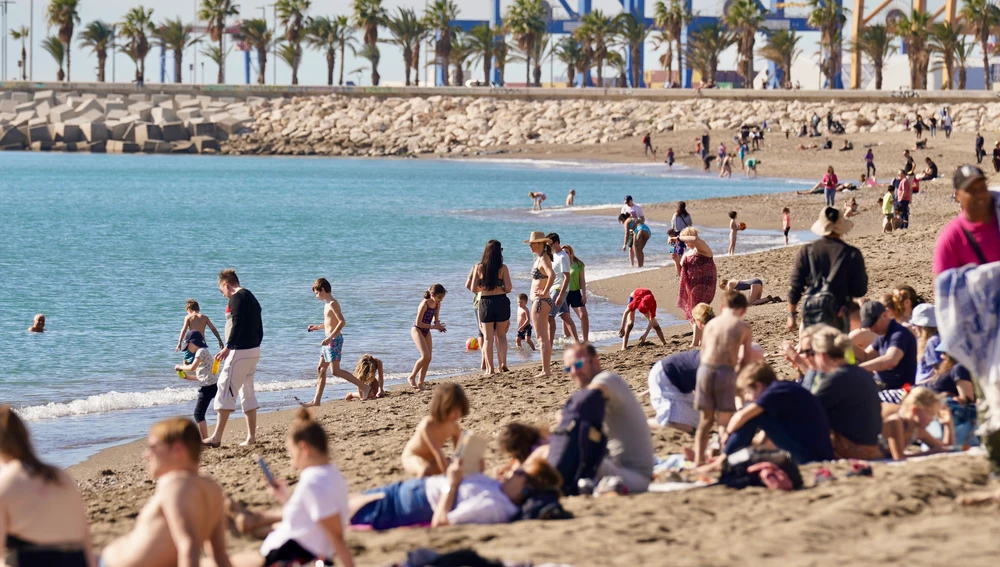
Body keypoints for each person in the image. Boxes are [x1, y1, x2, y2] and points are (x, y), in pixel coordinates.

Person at [229, 409, 355, 567]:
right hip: (288, 547)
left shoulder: (313, 481)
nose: (291, 459)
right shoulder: (333, 474)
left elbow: (336, 536)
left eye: (291, 452)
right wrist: (284, 497)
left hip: (285, 555)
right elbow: (309, 521)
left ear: (304, 449)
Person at [100, 418, 231, 567]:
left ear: (177, 450)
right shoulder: (212, 487)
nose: (146, 455)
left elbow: (189, 546)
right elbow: (219, 553)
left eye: (153, 447)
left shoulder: (174, 483)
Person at [350, 456, 562, 530]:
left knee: (338, 511)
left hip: (406, 505)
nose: (511, 470)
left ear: (526, 488)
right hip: (407, 490)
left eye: (519, 472)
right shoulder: (499, 489)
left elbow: (441, 522)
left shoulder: (495, 506)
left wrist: (451, 483)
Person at [0, 405, 95, 567]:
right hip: (75, 560)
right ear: (27, 436)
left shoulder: (6, 482)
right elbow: (85, 539)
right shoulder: (60, 475)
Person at [561, 344, 655, 493]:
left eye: (578, 364)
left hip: (634, 477)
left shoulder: (607, 380)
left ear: (595, 361)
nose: (574, 371)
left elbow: (584, 400)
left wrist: (562, 418)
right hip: (617, 468)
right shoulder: (600, 388)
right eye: (568, 368)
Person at [720, 361, 835, 465]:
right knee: (754, 414)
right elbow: (762, 442)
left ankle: (724, 459)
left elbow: (741, 416)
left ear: (759, 386)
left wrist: (727, 434)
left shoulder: (775, 392)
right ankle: (729, 458)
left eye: (747, 392)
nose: (747, 398)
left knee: (751, 415)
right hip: (815, 452)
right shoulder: (782, 389)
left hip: (810, 455)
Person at [693, 291, 753, 465]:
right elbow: (746, 359)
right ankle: (723, 459)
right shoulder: (743, 327)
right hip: (725, 371)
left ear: (721, 307)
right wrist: (738, 378)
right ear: (743, 311)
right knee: (723, 420)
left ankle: (698, 459)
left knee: (705, 420)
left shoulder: (711, 324)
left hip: (704, 370)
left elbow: (703, 352)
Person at [205, 269, 263, 448]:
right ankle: (251, 437)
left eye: (221, 290)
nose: (222, 295)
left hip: (240, 351)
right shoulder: (251, 296)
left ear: (226, 285)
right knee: (247, 392)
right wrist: (257, 343)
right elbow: (258, 325)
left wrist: (228, 347)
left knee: (224, 388)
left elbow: (237, 323)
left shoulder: (236, 298)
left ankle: (216, 437)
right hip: (253, 350)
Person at [806, 327, 883, 459]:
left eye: (813, 353)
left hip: (853, 450)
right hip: (871, 447)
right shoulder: (860, 372)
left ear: (822, 355)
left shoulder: (835, 379)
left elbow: (806, 413)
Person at [787, 207, 868, 333]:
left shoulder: (807, 251)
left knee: (813, 349)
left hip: (813, 311)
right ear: (841, 228)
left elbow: (795, 286)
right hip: (839, 312)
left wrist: (791, 315)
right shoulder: (852, 253)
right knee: (838, 350)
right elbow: (860, 290)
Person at [304, 278, 373, 406]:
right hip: (329, 340)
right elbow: (330, 323)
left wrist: (330, 337)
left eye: (316, 293)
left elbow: (342, 322)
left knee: (335, 371)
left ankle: (365, 388)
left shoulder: (333, 303)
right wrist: (317, 327)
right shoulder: (326, 304)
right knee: (320, 369)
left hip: (334, 340)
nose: (316, 296)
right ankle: (316, 400)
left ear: (323, 290)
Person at [934, 165, 1000, 273]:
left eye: (982, 188)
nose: (979, 195)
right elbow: (943, 285)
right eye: (971, 190)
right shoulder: (953, 237)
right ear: (958, 196)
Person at [401, 383, 468, 477]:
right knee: (425, 469)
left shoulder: (454, 427)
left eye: (459, 410)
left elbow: (458, 453)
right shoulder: (428, 424)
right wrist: (447, 477)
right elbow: (438, 453)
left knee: (454, 465)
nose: (457, 414)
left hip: (432, 460)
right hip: (413, 456)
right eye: (453, 410)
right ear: (442, 407)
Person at [856, 301, 918, 395]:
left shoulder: (899, 334)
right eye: (869, 327)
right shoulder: (882, 335)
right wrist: (846, 344)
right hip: (882, 386)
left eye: (874, 325)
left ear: (884, 315)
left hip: (899, 390)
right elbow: (866, 356)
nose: (872, 329)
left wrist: (857, 369)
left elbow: (891, 360)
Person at [472, 240, 513, 376]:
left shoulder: (479, 268)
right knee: (501, 336)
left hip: (485, 302)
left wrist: (485, 288)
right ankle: (503, 364)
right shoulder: (503, 268)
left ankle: (490, 369)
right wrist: (499, 287)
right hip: (501, 301)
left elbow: (473, 288)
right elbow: (508, 288)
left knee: (488, 338)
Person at [880, 387, 953, 460]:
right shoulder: (896, 422)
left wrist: (948, 425)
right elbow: (898, 458)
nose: (932, 419)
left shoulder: (916, 429)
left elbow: (944, 448)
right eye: (930, 414)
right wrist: (930, 453)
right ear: (914, 410)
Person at [173, 331, 219, 439]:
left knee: (198, 414)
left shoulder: (200, 352)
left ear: (193, 342)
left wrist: (180, 367)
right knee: (212, 410)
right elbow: (202, 376)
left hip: (207, 388)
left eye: (187, 346)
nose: (188, 349)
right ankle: (206, 438)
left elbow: (192, 368)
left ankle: (204, 439)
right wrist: (187, 377)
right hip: (212, 385)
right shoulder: (204, 352)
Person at [677, 227, 717, 347]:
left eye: (685, 239)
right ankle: (701, 340)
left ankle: (694, 343)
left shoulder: (702, 248)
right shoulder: (687, 253)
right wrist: (675, 260)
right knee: (692, 311)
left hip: (704, 283)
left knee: (696, 310)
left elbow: (694, 239)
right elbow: (680, 272)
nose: (684, 243)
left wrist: (677, 237)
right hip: (690, 285)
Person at [647, 350, 702, 434]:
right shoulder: (714, 367)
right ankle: (642, 424)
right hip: (666, 376)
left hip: (683, 384)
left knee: (695, 424)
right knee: (683, 427)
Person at [525, 232, 556, 377]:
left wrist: (544, 291)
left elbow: (552, 275)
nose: (530, 245)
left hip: (541, 302)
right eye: (530, 243)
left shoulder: (544, 258)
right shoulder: (540, 258)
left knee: (541, 338)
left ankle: (546, 370)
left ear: (541, 243)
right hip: (542, 301)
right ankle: (546, 369)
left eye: (533, 243)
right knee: (543, 337)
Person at [407, 284, 447, 390]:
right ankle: (411, 377)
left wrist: (439, 326)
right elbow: (418, 322)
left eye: (442, 298)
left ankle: (420, 383)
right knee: (425, 356)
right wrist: (433, 327)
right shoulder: (424, 304)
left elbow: (436, 320)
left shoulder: (437, 305)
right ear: (432, 294)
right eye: (439, 298)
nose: (440, 300)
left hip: (427, 330)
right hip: (417, 330)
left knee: (429, 358)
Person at [546, 233, 580, 343]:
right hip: (555, 288)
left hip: (558, 289)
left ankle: (549, 345)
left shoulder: (563, 257)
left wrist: (561, 295)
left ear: (556, 243)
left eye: (550, 244)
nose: (548, 246)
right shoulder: (554, 255)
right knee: (565, 316)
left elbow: (567, 276)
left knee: (549, 317)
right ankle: (577, 342)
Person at [562, 244, 589, 343]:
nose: (565, 254)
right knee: (565, 316)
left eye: (567, 252)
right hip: (563, 292)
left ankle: (586, 340)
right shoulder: (560, 263)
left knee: (584, 315)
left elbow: (582, 280)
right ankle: (567, 339)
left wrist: (584, 294)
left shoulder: (578, 264)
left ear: (571, 253)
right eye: (563, 252)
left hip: (575, 292)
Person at [910, 304, 941, 384]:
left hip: (929, 389)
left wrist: (917, 386)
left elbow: (940, 374)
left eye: (915, 325)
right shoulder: (931, 340)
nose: (913, 327)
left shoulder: (933, 342)